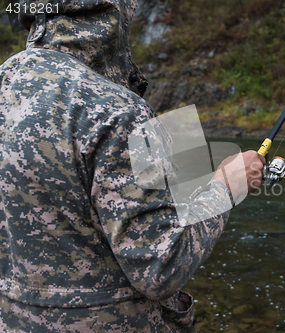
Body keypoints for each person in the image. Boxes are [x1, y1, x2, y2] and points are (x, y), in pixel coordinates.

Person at [0, 0, 264, 332]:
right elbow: (162, 266)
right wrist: (228, 184)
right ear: (114, 15)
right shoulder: (118, 111)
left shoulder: (6, 81)